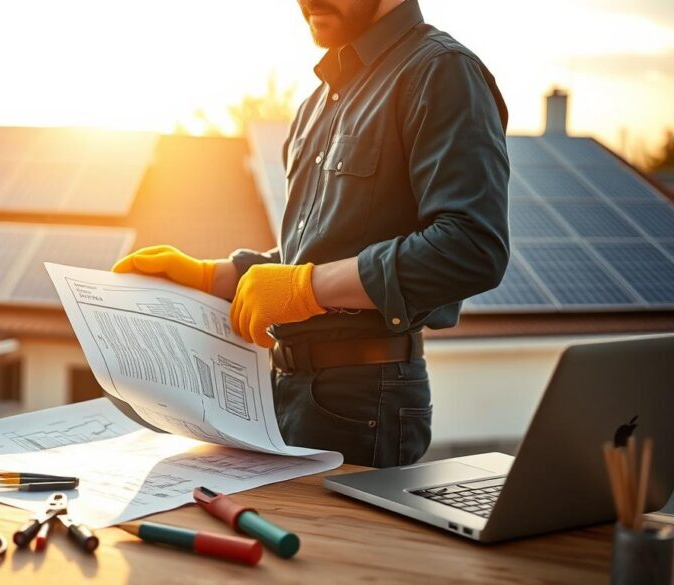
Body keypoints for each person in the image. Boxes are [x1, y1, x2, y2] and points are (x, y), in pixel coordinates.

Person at [113, 0, 509, 467]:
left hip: (366, 398)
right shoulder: (315, 105)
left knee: (337, 543)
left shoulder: (441, 72)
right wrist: (217, 276)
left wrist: (307, 289)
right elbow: (315, 254)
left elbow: (470, 246)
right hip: (284, 392)